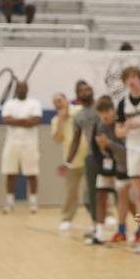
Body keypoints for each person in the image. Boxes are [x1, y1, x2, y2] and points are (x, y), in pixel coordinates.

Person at [89, 95, 128, 245]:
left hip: (123, 167)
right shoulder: (99, 125)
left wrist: (109, 144)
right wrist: (102, 152)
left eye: (107, 111)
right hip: (106, 166)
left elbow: (125, 152)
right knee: (100, 195)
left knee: (127, 201)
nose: (105, 115)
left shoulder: (121, 124)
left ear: (114, 110)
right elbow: (95, 148)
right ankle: (99, 232)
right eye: (101, 112)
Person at [116, 67, 140, 245]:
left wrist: (139, 123)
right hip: (133, 148)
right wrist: (128, 127)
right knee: (138, 192)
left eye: (134, 77)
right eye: (128, 78)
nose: (131, 81)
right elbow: (119, 132)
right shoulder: (122, 103)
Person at [64, 80, 100, 239]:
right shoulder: (78, 116)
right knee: (88, 197)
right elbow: (75, 140)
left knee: (120, 192)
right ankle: (97, 225)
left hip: (110, 155)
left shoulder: (101, 107)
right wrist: (68, 161)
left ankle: (138, 229)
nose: (85, 92)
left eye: (88, 89)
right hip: (92, 156)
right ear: (77, 96)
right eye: (82, 91)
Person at [0, 81, 42, 213]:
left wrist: (15, 121)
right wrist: (24, 121)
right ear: (16, 90)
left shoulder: (34, 103)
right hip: (12, 143)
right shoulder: (9, 104)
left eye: (23, 87)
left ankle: (33, 203)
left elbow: (35, 121)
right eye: (19, 88)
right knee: (10, 173)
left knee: (32, 173)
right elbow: (6, 120)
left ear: (27, 89)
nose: (21, 90)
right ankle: (10, 203)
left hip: (30, 144)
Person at [51, 91, 87, 230]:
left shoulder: (79, 111)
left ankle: (107, 215)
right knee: (71, 192)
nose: (58, 103)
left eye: (60, 100)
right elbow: (57, 139)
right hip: (71, 161)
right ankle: (67, 218)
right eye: (55, 102)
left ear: (67, 100)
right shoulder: (55, 120)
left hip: (88, 156)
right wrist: (61, 120)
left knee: (96, 188)